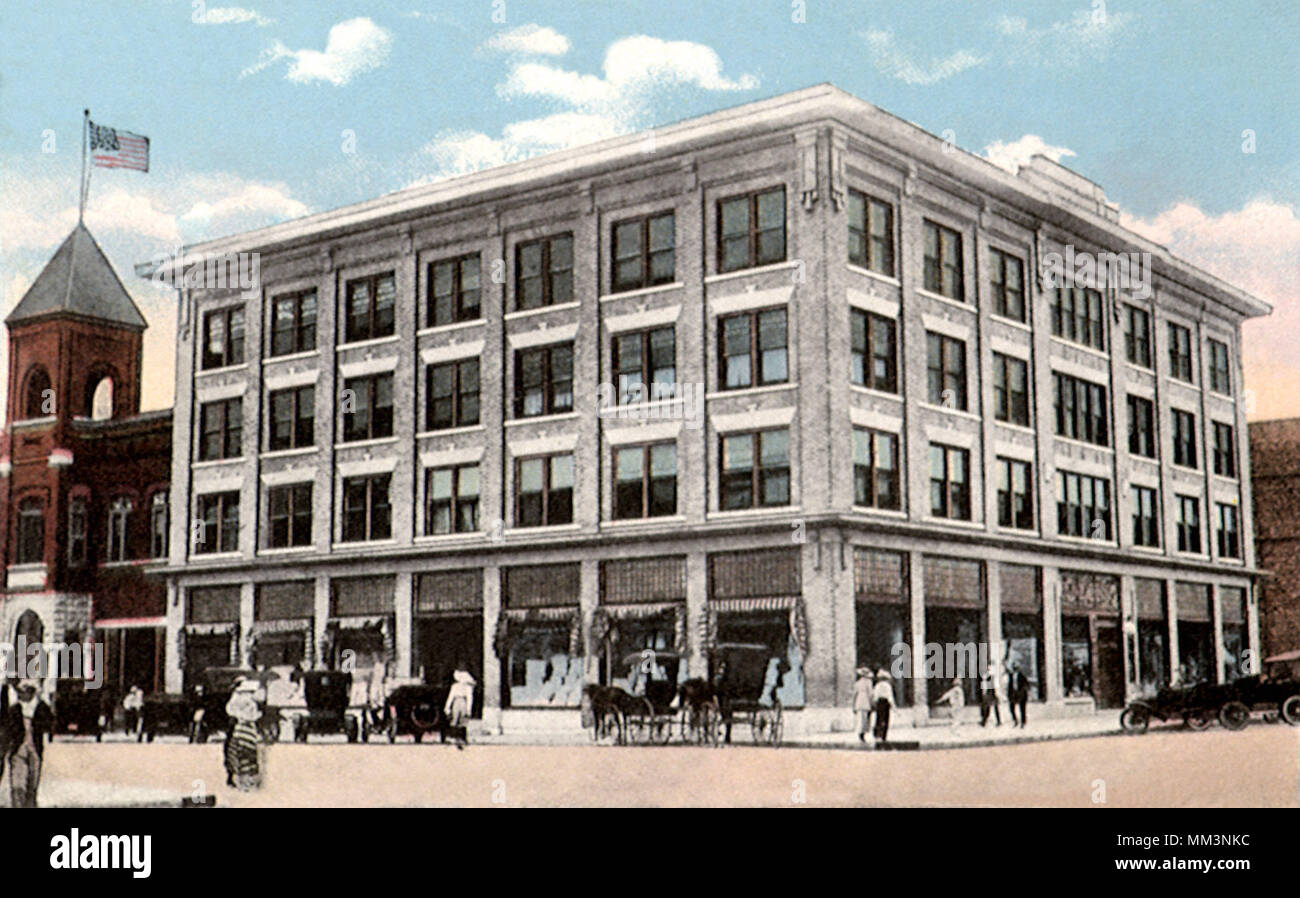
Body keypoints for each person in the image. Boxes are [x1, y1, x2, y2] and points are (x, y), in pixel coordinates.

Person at [5, 678, 53, 808]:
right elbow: (8, 729)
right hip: (18, 750)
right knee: (17, 785)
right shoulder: (15, 709)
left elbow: (50, 724)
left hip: (35, 749)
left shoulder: (41, 707)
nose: (22, 694)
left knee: (32, 785)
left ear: (32, 692)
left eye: (25, 691)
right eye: (20, 691)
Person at [223, 678, 263, 790]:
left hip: (240, 729)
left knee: (240, 754)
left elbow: (230, 710)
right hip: (245, 728)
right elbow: (251, 715)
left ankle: (241, 780)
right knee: (246, 755)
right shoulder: (247, 702)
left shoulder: (237, 700)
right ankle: (245, 781)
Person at [444, 670, 475, 750]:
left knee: (463, 720)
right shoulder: (455, 686)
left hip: (463, 702)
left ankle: (462, 739)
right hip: (456, 701)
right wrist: (447, 707)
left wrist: (468, 709)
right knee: (454, 719)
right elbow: (451, 697)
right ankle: (452, 738)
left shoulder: (468, 687)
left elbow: (469, 698)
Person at [871, 668, 895, 743]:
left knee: (879, 718)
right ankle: (884, 735)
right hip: (885, 703)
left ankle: (877, 734)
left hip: (879, 703)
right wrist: (893, 706)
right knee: (886, 719)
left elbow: (875, 696)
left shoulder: (877, 686)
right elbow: (890, 697)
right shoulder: (888, 686)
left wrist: (874, 703)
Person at [853, 667, 874, 743]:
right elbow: (870, 694)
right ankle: (862, 733)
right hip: (866, 702)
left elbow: (854, 694)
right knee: (865, 719)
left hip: (859, 701)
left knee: (860, 719)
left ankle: (860, 733)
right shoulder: (869, 682)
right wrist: (872, 703)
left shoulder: (857, 683)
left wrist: (854, 705)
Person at [1007, 662, 1030, 728]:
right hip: (1013, 694)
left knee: (1022, 709)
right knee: (1011, 708)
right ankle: (1015, 720)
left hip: (1021, 694)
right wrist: (1009, 694)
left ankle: (1023, 722)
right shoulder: (1010, 676)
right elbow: (1009, 686)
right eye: (1014, 667)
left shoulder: (1022, 676)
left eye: (1016, 668)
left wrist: (1022, 691)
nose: (1015, 669)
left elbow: (1026, 685)